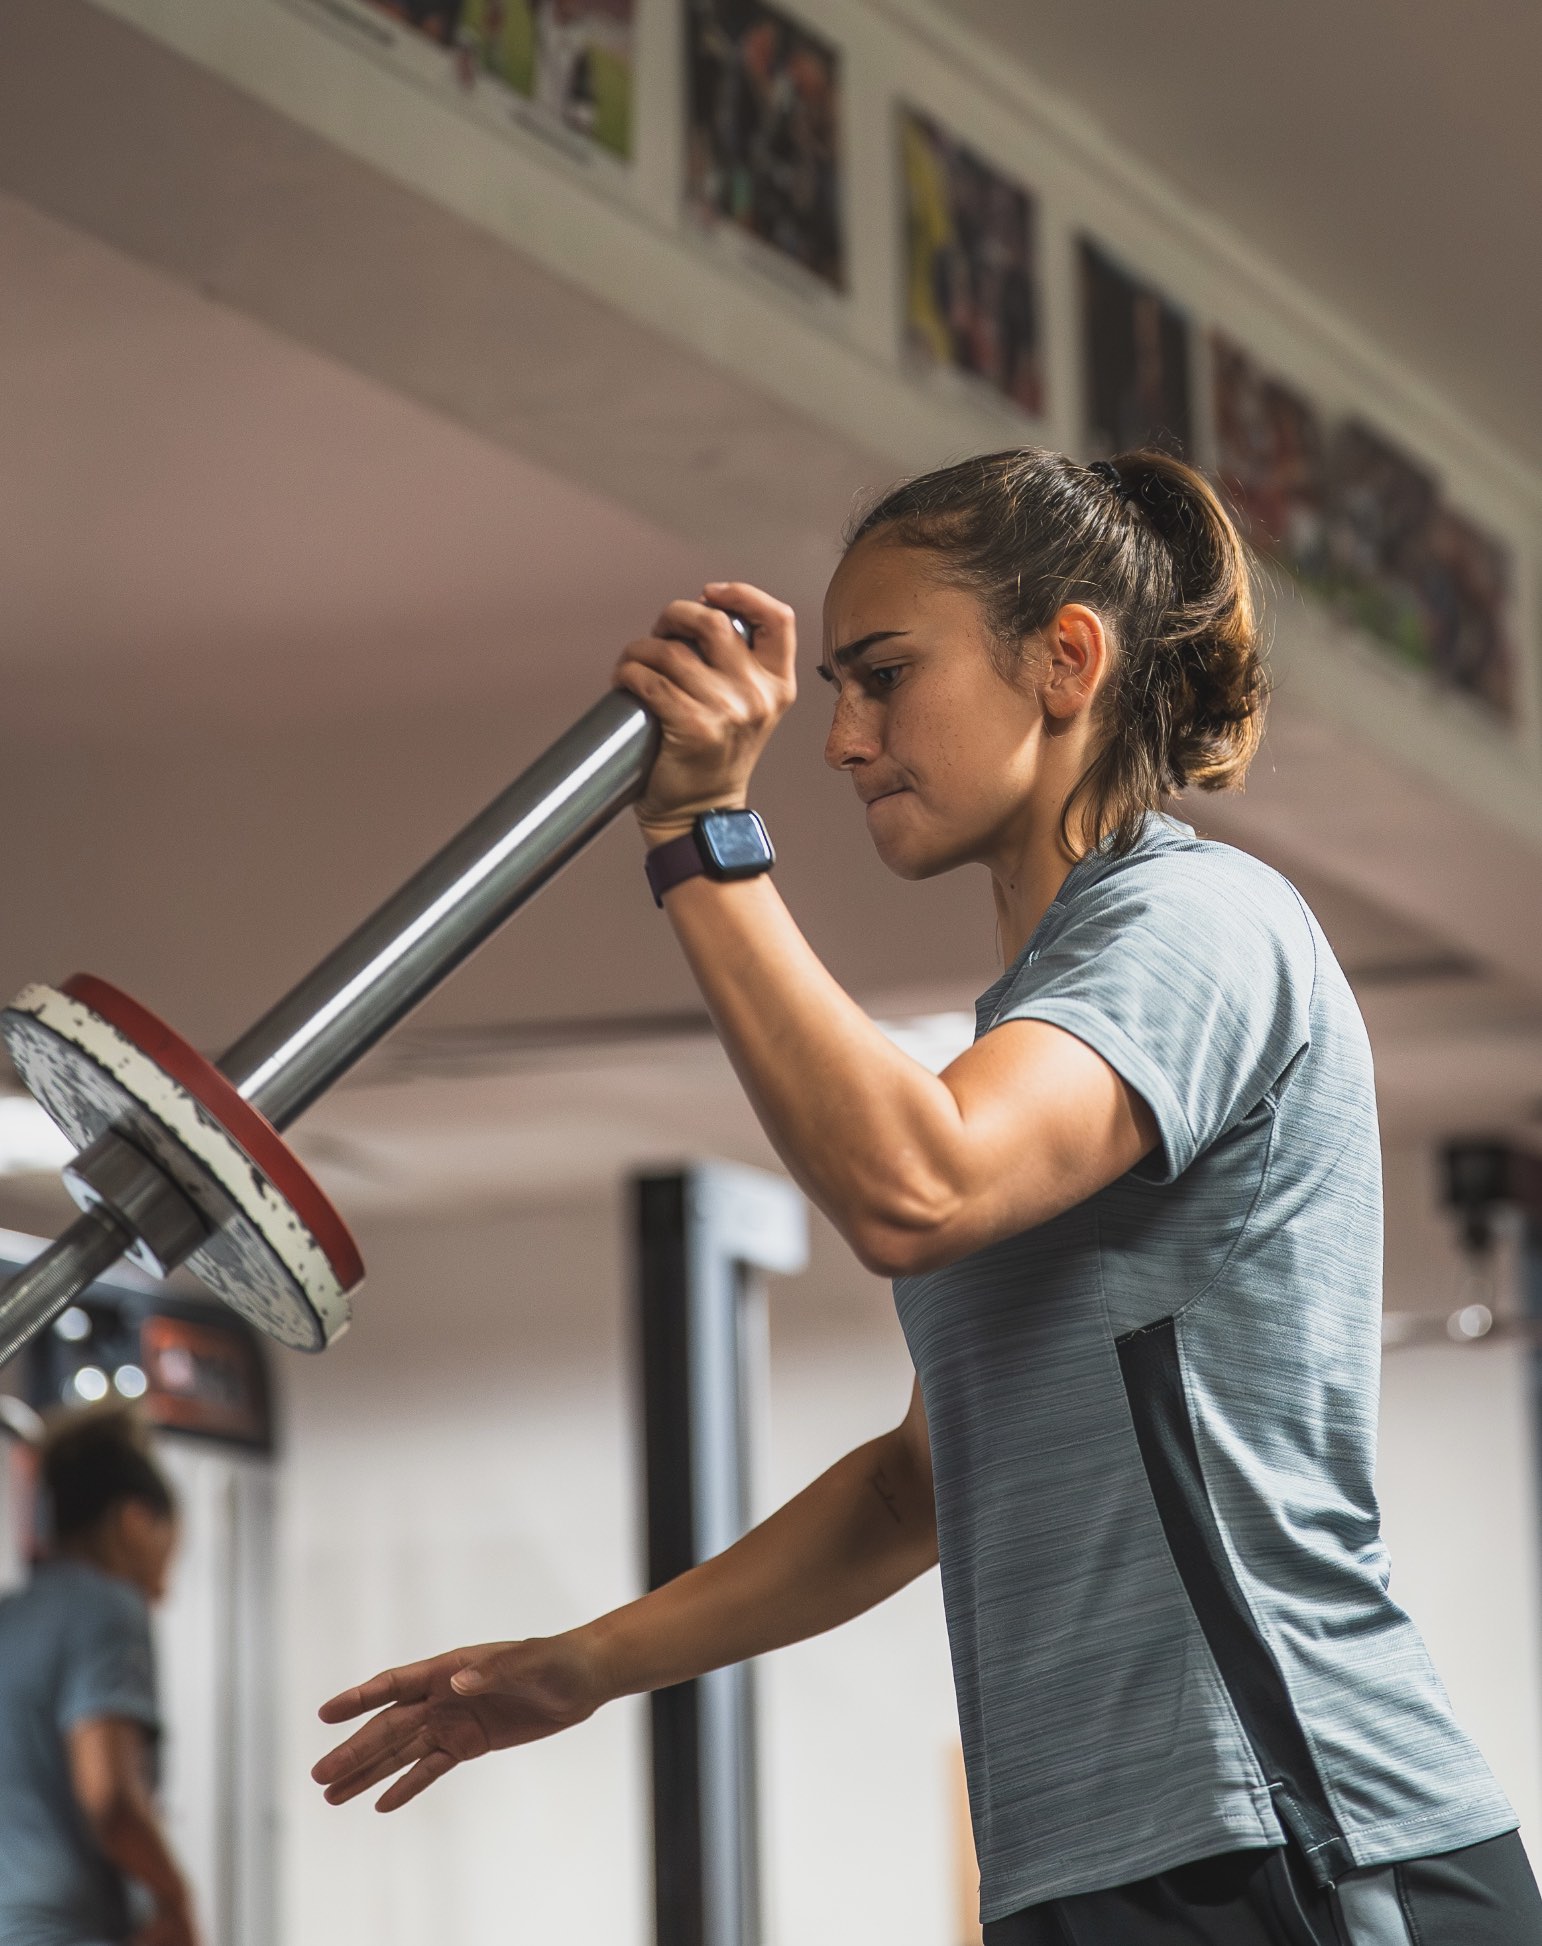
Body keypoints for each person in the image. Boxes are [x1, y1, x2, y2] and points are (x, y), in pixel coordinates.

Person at [312, 447, 1542, 1944]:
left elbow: (916, 1182)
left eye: (883, 675)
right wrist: (585, 1663)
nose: (840, 738)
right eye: (834, 684)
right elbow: (921, 1481)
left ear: (1063, 659)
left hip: (1292, 1836)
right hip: (1085, 1865)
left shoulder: (1196, 921)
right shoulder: (1038, 1013)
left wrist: (698, 834)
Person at [0, 1404, 198, 1946]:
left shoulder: (9, 1615)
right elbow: (108, 1796)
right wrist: (177, 1904)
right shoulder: (107, 1606)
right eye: (168, 1552)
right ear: (135, 1520)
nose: (163, 1589)